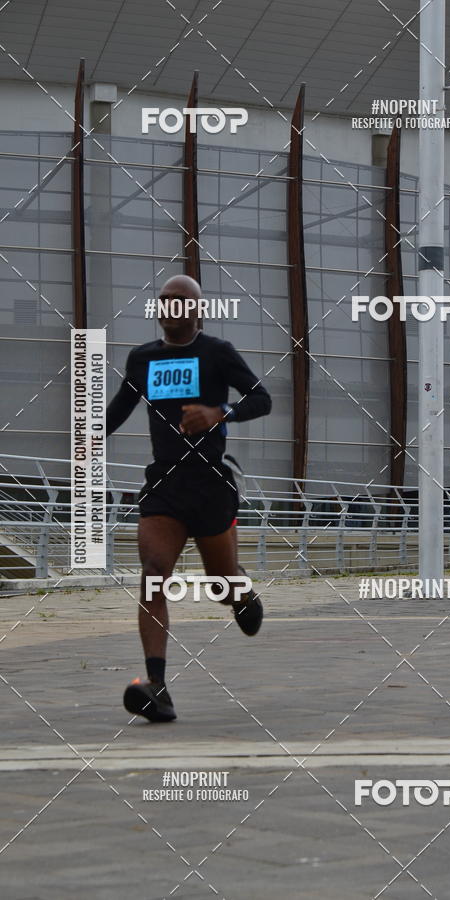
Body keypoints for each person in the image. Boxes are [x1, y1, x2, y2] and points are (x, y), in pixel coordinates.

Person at [106, 274, 271, 722]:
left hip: (210, 484)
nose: (170, 306)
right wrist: (86, 436)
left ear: (196, 311)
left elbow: (262, 398)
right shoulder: (142, 359)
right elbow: (120, 407)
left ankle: (240, 593)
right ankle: (156, 689)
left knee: (222, 587)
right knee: (153, 575)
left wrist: (221, 413)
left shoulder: (216, 352)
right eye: (163, 300)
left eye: (180, 301)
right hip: (165, 485)